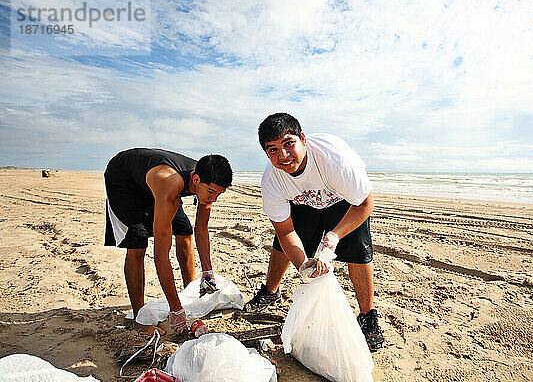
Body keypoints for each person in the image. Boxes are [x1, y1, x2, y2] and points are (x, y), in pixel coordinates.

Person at [244, 113, 384, 351]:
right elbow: (285, 231)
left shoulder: (336, 161)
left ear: (303, 139)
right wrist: (303, 265)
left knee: (358, 252)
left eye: (289, 144)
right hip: (303, 204)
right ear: (266, 154)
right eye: (273, 150)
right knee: (282, 248)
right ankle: (270, 291)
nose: (284, 156)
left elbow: (364, 204)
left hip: (344, 202)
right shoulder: (272, 181)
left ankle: (368, 316)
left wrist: (335, 235)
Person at [104, 148, 232, 335]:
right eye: (211, 193)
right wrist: (174, 308)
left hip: (154, 182)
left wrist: (207, 271)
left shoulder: (208, 179)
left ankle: (189, 297)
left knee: (184, 231)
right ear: (196, 180)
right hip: (125, 181)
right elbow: (161, 256)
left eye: (218, 194)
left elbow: (201, 229)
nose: (213, 199)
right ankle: (140, 318)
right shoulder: (170, 187)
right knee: (138, 242)